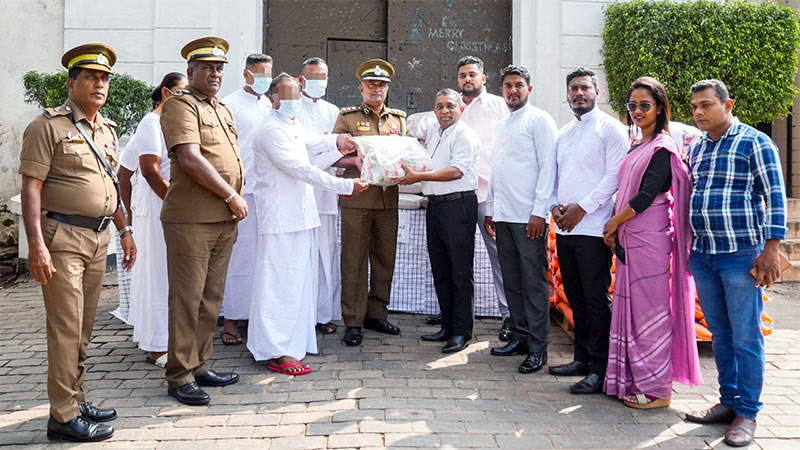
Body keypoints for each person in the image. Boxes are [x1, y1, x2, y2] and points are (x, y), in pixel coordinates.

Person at [19, 43, 136, 442]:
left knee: (83, 329)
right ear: (71, 83)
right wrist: (36, 244)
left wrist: (124, 230)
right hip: (62, 238)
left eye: (104, 78)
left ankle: (75, 397)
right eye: (90, 76)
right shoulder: (47, 127)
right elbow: (31, 188)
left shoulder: (106, 128)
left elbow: (110, 184)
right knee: (66, 329)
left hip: (99, 237)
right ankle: (63, 417)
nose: (99, 83)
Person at [684, 79, 787, 447]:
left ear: (728, 106)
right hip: (704, 255)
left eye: (706, 105)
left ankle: (748, 412)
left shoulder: (755, 142)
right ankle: (727, 402)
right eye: (695, 106)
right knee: (721, 334)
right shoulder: (697, 147)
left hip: (742, 255)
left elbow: (775, 195)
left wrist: (771, 249)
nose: (698, 112)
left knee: (746, 336)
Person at [248, 73, 369, 374]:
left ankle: (294, 343)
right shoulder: (269, 130)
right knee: (278, 284)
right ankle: (275, 350)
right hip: (280, 217)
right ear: (273, 99)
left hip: (301, 214)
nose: (292, 102)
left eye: (296, 96)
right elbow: (300, 168)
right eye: (286, 97)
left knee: (299, 284)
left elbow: (311, 140)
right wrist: (344, 187)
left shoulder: (291, 125)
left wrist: (337, 139)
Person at [601, 77, 703, 409]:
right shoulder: (637, 145)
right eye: (632, 106)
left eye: (645, 105)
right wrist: (616, 227)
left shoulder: (662, 146)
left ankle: (659, 389)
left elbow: (645, 196)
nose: (637, 111)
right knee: (630, 309)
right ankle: (630, 379)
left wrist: (614, 222)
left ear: (659, 107)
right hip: (630, 236)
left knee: (650, 311)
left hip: (650, 238)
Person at [160, 36, 246, 406]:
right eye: (207, 67)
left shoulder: (221, 109)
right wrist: (231, 195)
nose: (215, 73)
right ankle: (179, 375)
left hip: (222, 219)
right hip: (192, 220)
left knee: (211, 298)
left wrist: (230, 208)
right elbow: (191, 159)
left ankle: (200, 364)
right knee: (188, 299)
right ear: (191, 71)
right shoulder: (181, 106)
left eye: (219, 68)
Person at [548, 68, 628, 394]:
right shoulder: (565, 132)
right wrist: (555, 205)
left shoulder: (611, 130)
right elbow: (555, 175)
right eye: (573, 89)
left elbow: (614, 176)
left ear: (596, 91)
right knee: (576, 297)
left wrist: (582, 207)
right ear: (567, 95)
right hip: (566, 228)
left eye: (584, 88)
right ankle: (581, 358)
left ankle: (601, 368)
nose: (578, 93)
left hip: (594, 228)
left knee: (596, 299)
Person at [484, 66, 557, 373]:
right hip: (503, 215)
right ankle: (521, 337)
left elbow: (547, 168)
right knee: (512, 281)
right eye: (507, 86)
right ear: (502, 90)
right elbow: (496, 168)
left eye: (518, 85)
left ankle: (539, 348)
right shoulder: (502, 124)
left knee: (533, 283)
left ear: (530, 88)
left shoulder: (539, 120)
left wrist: (540, 211)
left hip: (529, 217)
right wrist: (491, 207)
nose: (513, 90)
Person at [399, 88, 480, 353]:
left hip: (458, 205)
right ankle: (447, 325)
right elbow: (426, 164)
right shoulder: (436, 133)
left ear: (461, 109)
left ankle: (461, 332)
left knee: (459, 271)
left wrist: (420, 178)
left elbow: (456, 171)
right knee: (441, 269)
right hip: (436, 207)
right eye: (439, 106)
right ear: (434, 110)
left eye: (450, 106)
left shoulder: (464, 135)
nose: (444, 111)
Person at [333, 59, 407, 346]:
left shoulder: (399, 120)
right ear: (361, 88)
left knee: (384, 259)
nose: (377, 89)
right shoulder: (348, 119)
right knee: (353, 261)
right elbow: (331, 156)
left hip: (388, 199)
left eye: (382, 84)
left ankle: (377, 313)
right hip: (358, 198)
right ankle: (353, 321)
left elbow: (407, 155)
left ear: (387, 89)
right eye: (371, 84)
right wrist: (354, 159)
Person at [446, 55, 512, 341]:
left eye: (472, 74)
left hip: (489, 196)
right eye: (462, 75)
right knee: (456, 258)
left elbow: (510, 150)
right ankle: (454, 314)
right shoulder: (451, 107)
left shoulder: (499, 106)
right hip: (458, 195)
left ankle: (510, 316)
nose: (467, 79)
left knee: (501, 259)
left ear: (483, 78)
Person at [126, 72, 188, 368]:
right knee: (157, 275)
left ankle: (167, 339)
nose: (186, 98)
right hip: (157, 206)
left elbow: (125, 165)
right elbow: (149, 171)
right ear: (166, 93)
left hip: (170, 205)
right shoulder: (151, 123)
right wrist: (127, 212)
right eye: (181, 92)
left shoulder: (172, 123)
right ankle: (155, 346)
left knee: (169, 273)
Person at [219, 53, 273, 345]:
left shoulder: (269, 104)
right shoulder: (230, 104)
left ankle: (252, 316)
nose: (265, 79)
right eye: (260, 74)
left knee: (261, 260)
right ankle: (230, 320)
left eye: (269, 74)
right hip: (241, 192)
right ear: (246, 74)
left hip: (266, 192)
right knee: (239, 259)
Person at [296, 57, 346, 336]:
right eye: (313, 78)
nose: (318, 83)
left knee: (326, 255)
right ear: (301, 80)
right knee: (301, 256)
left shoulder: (332, 110)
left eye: (323, 78)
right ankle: (300, 313)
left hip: (326, 192)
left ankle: (324, 313)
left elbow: (339, 152)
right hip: (299, 190)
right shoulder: (291, 109)